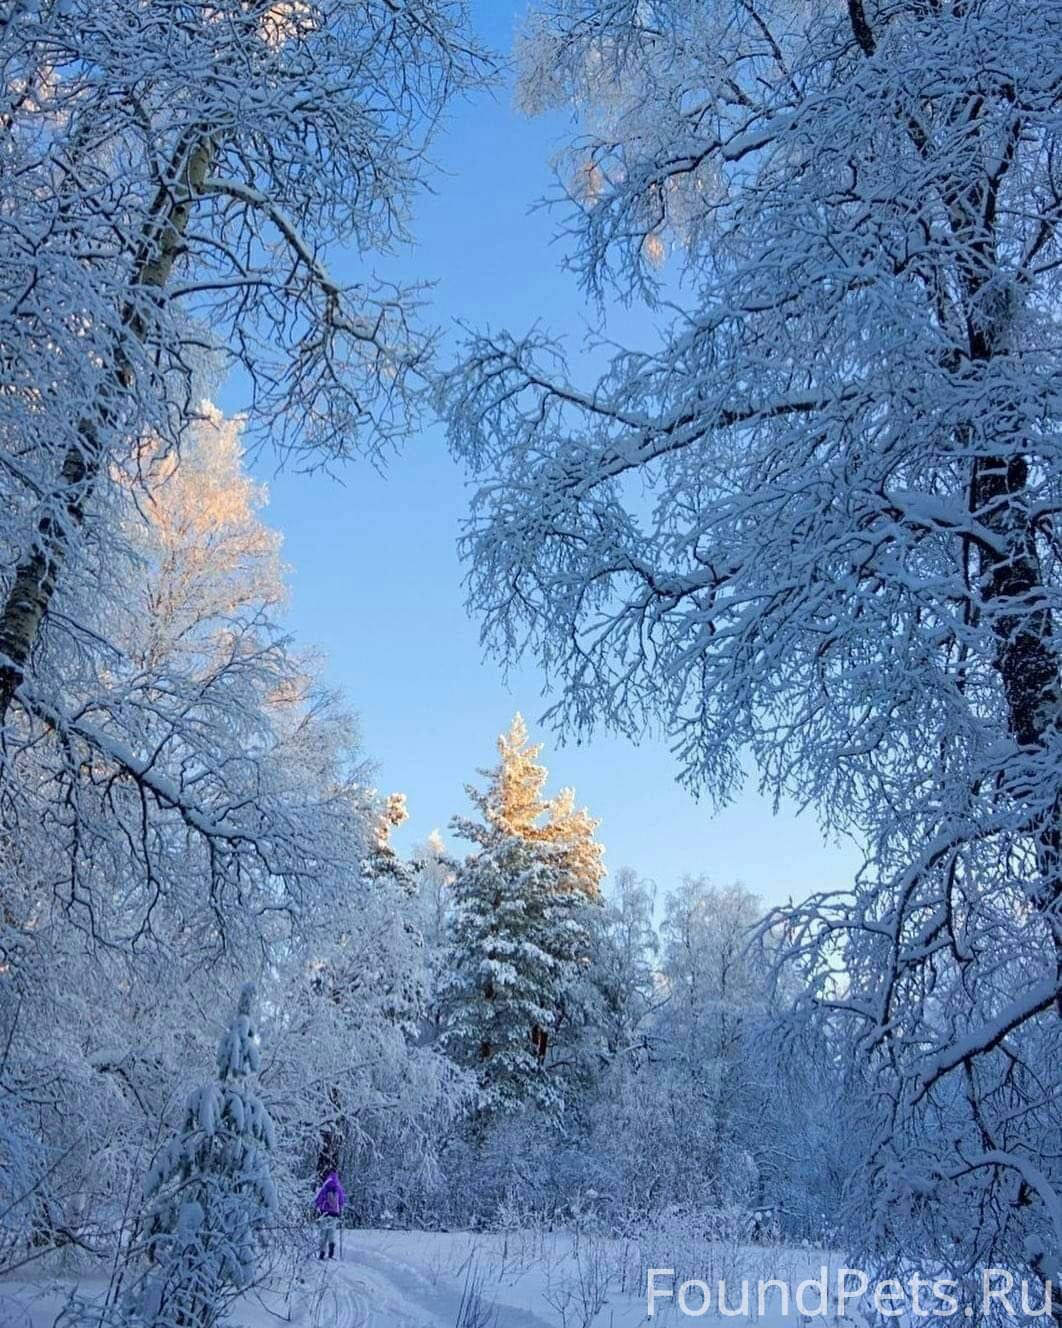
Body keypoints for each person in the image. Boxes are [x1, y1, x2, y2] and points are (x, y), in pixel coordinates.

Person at [313, 1171, 346, 1260]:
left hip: (324, 1213)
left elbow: (317, 1200)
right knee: (331, 1233)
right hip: (334, 1214)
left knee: (323, 1233)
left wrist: (318, 1207)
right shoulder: (339, 1188)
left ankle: (322, 1253)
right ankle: (331, 1253)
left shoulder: (325, 1186)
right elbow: (342, 1201)